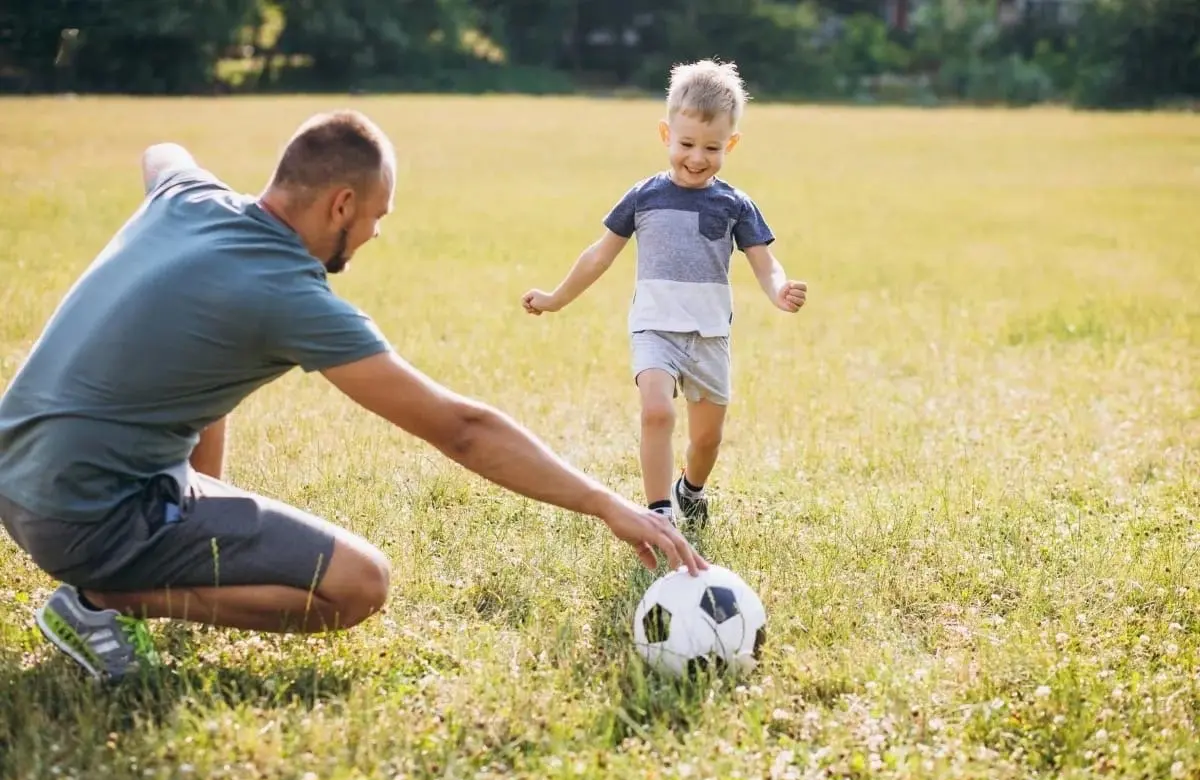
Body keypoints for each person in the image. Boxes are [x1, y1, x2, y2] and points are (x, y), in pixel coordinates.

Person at [0, 109, 706, 683]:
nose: (373, 234)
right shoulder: (290, 296)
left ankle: (154, 546)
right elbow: (460, 428)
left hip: (18, 476)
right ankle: (102, 600)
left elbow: (162, 150)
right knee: (358, 586)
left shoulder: (186, 195)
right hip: (82, 518)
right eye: (375, 216)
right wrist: (607, 506)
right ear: (341, 202)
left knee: (208, 369)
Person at [521, 60, 808, 531]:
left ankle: (690, 489)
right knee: (656, 411)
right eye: (687, 144)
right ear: (665, 134)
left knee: (707, 441)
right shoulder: (643, 197)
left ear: (730, 144)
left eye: (712, 148)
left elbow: (764, 262)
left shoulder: (735, 204)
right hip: (655, 328)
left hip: (709, 335)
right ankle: (659, 515)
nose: (697, 157)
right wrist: (555, 298)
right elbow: (599, 256)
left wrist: (779, 290)